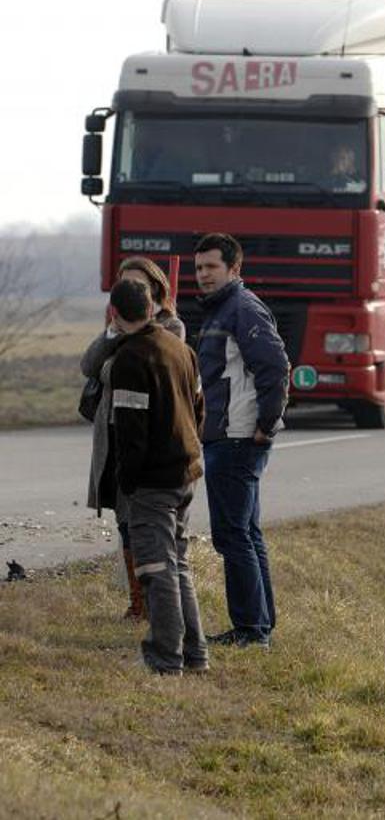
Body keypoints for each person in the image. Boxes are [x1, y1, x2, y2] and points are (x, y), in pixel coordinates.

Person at [193, 232, 289, 648]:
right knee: (246, 532)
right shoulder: (220, 311)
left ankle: (250, 630)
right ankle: (261, 624)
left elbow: (276, 367)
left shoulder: (242, 309)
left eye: (211, 267)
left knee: (232, 535)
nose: (203, 275)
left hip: (236, 438)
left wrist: (267, 425)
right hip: (224, 436)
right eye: (199, 268)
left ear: (234, 269)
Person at [107, 278, 207, 675]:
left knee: (155, 568)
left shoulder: (130, 359)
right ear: (151, 308)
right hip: (186, 472)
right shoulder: (180, 348)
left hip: (153, 481)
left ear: (114, 314)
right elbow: (199, 407)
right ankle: (195, 653)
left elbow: (131, 429)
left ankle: (166, 657)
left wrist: (127, 481)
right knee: (177, 563)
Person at [82, 257, 186, 620]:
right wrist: (113, 334)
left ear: (155, 289)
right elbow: (89, 365)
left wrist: (128, 337)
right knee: (124, 520)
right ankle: (138, 598)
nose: (131, 289)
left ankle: (147, 604)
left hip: (149, 442)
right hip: (113, 435)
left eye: (138, 283)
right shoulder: (114, 328)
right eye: (125, 284)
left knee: (146, 525)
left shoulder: (169, 326)